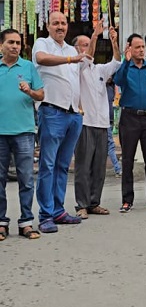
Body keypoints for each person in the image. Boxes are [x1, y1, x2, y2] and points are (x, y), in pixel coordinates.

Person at [33, 12, 89, 233]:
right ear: (48, 26)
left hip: (73, 114)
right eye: (55, 23)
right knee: (47, 165)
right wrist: (70, 59)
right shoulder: (42, 43)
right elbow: (40, 59)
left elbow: (76, 79)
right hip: (52, 112)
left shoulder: (70, 49)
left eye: (63, 23)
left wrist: (80, 108)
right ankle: (45, 215)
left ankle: (58, 211)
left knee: (63, 166)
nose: (60, 26)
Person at [73, 23, 121, 219]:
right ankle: (81, 204)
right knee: (83, 167)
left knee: (99, 166)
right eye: (82, 45)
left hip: (102, 124)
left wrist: (114, 42)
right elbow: (88, 57)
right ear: (75, 49)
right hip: (85, 123)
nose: (86, 47)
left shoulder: (100, 69)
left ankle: (94, 202)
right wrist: (94, 36)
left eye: (88, 44)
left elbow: (117, 62)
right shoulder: (77, 67)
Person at [0, 29, 44, 240]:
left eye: (18, 43)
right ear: (1, 45)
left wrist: (29, 91)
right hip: (0, 132)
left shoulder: (28, 67)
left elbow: (41, 94)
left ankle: (26, 222)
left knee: (26, 179)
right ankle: (1, 222)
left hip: (24, 132)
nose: (15, 46)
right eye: (11, 42)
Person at [113, 33, 146, 213]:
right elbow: (117, 81)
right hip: (129, 118)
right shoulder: (125, 67)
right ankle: (127, 200)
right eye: (137, 47)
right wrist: (125, 62)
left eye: (143, 46)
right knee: (127, 160)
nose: (141, 50)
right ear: (129, 49)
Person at [106, 77, 121, 176]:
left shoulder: (110, 88)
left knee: (109, 145)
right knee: (110, 145)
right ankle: (117, 168)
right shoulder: (103, 88)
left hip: (109, 119)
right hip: (104, 120)